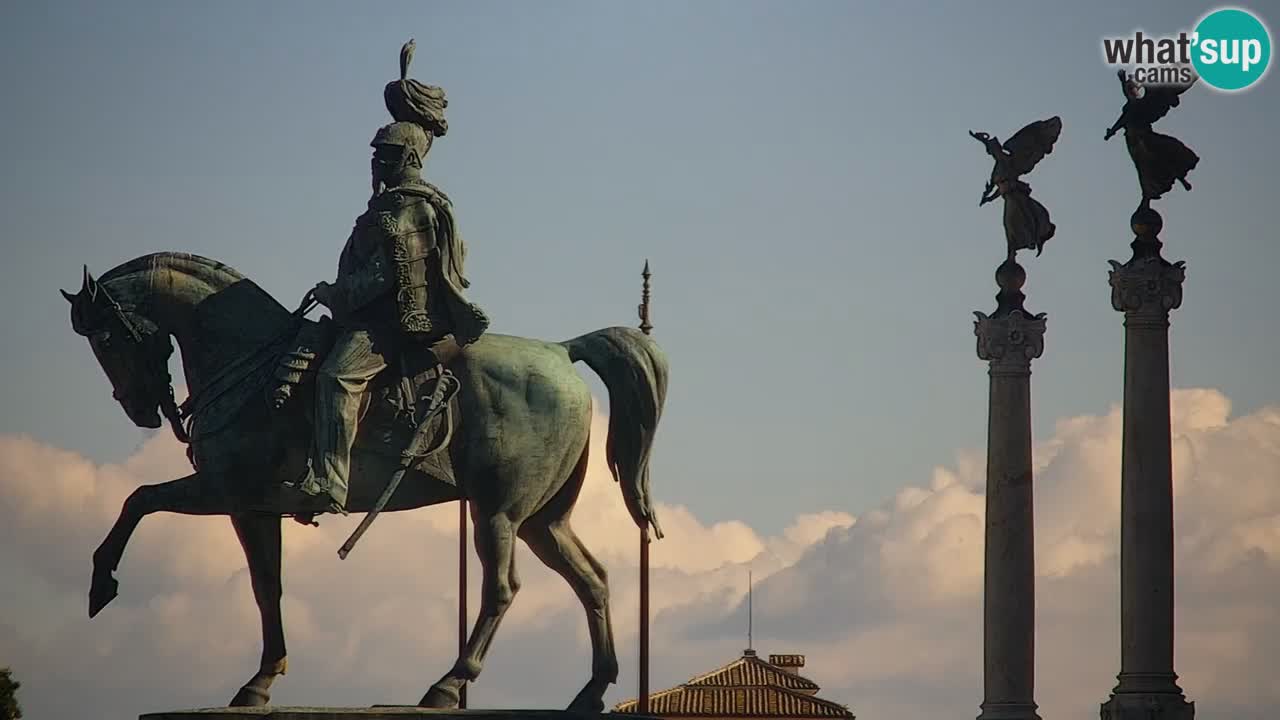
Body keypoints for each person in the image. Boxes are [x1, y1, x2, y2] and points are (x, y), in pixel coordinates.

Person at [295, 57, 488, 514]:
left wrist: (336, 294)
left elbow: (388, 275)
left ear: (410, 158)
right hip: (370, 316)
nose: (375, 161)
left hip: (390, 324)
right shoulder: (392, 204)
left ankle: (329, 481)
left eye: (385, 154)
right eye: (375, 153)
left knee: (337, 376)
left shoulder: (408, 209)